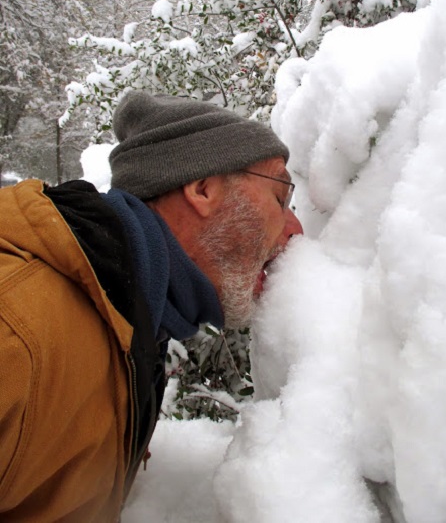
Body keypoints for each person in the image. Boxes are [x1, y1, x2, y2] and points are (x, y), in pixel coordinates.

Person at [0, 91, 303, 522]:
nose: (297, 228)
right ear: (202, 188)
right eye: (279, 198)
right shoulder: (16, 322)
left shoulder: (131, 322)